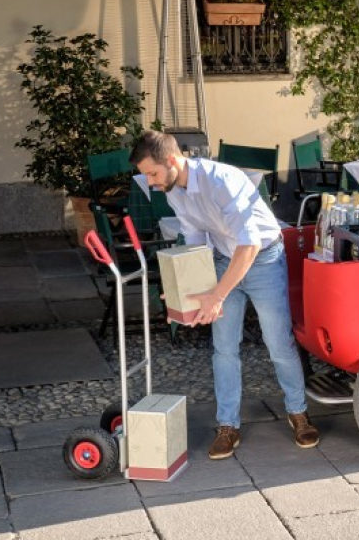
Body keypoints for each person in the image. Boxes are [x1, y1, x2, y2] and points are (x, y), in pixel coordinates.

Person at [130, 130, 317, 459]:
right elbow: (195, 237)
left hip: (263, 260)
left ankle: (298, 412)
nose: (151, 182)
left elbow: (250, 245)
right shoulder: (174, 189)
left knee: (277, 343)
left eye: (153, 174)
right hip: (221, 259)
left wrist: (216, 295)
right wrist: (183, 290)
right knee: (224, 348)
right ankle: (228, 425)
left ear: (173, 161)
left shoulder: (223, 181)